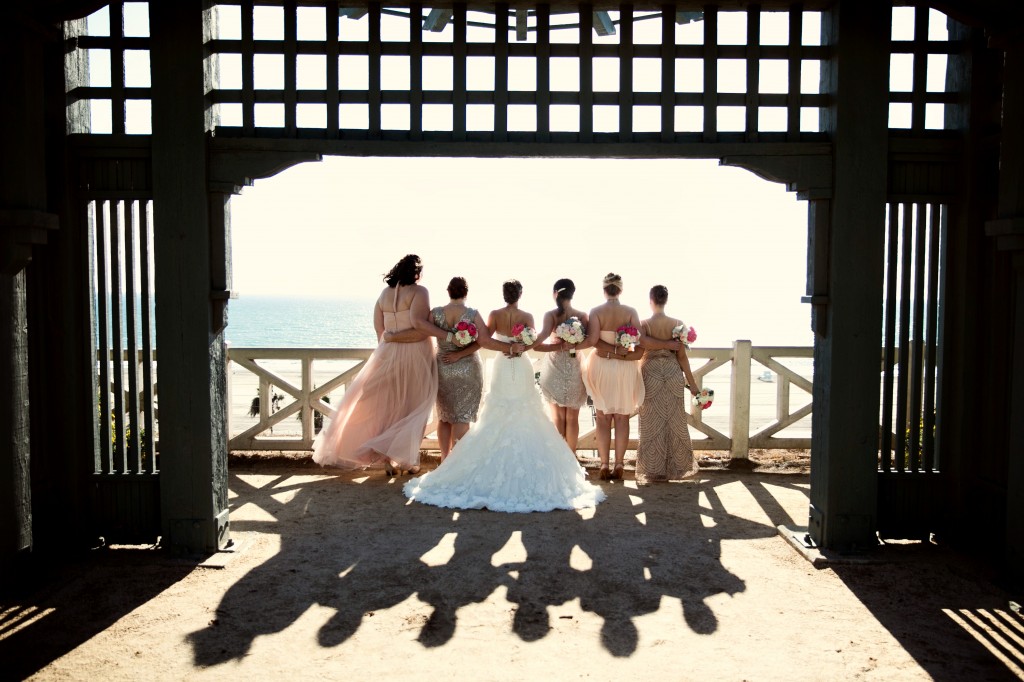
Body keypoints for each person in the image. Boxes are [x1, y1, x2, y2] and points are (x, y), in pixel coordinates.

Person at [403, 279, 606, 513]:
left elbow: (484, 340)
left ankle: (452, 461)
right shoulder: (528, 316)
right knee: (525, 408)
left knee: (496, 409)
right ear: (520, 294)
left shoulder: (494, 314)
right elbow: (529, 344)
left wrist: (500, 348)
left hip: (502, 363)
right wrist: (517, 347)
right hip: (520, 364)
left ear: (504, 295)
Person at [312, 254, 443, 475]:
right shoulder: (420, 292)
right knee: (415, 407)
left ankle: (385, 459)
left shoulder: (384, 294)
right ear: (417, 272)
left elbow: (379, 330)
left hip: (386, 353)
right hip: (415, 355)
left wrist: (390, 345)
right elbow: (420, 327)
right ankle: (406, 461)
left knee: (385, 407)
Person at [579, 273, 645, 481]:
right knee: (622, 417)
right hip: (625, 367)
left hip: (602, 366)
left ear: (604, 290)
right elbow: (639, 340)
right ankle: (619, 464)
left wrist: (610, 353)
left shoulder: (597, 311)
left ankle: (604, 464)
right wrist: (621, 352)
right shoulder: (631, 311)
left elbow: (593, 341)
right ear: (621, 290)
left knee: (603, 417)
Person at [636, 285, 700, 484]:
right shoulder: (678, 324)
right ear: (666, 300)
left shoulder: (644, 324)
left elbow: (641, 346)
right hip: (673, 374)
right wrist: (693, 385)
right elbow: (682, 358)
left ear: (651, 300)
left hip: (651, 374)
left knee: (650, 422)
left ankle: (653, 469)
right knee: (674, 420)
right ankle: (678, 467)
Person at [429, 276, 496, 462]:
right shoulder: (472, 314)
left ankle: (444, 459)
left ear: (448, 292)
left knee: (444, 417)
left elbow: (424, 332)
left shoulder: (435, 313)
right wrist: (460, 354)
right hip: (467, 368)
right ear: (466, 293)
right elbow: (483, 341)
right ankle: (458, 464)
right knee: (461, 417)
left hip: (443, 366)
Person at [534, 278, 589, 452]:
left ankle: (561, 459)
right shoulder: (581, 316)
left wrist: (558, 346)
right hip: (574, 367)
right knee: (573, 418)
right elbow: (590, 341)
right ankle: (571, 459)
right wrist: (574, 345)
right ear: (573, 294)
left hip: (555, 367)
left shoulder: (551, 316)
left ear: (555, 294)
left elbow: (537, 345)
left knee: (558, 417)